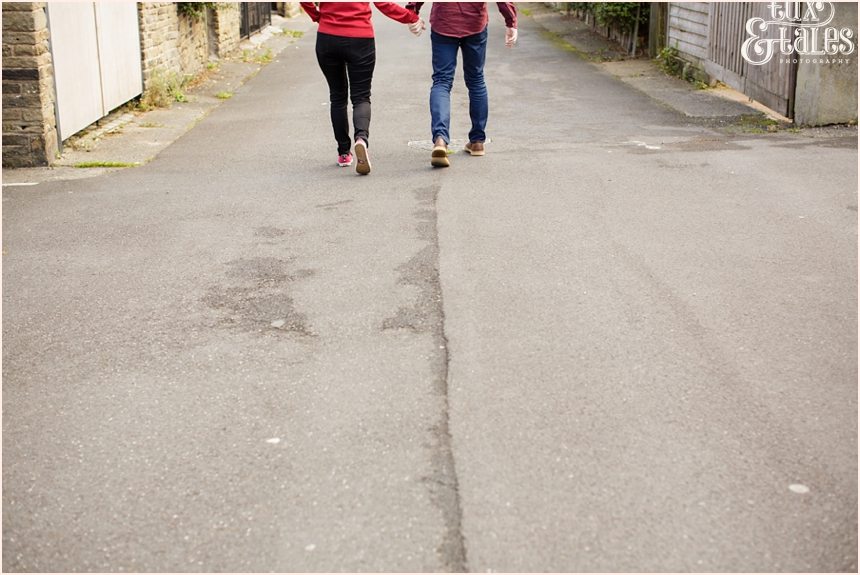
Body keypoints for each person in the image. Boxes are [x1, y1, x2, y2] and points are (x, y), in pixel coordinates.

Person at [300, 2, 425, 175]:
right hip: (360, 39)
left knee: (337, 97)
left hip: (327, 37)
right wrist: (410, 17)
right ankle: (361, 139)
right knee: (361, 97)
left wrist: (316, 15)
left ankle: (344, 153)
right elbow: (383, 4)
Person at [406, 2, 517, 168]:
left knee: (442, 81)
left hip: (444, 20)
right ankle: (478, 141)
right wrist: (510, 21)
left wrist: (413, 10)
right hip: (475, 22)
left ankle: (440, 140)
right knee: (476, 80)